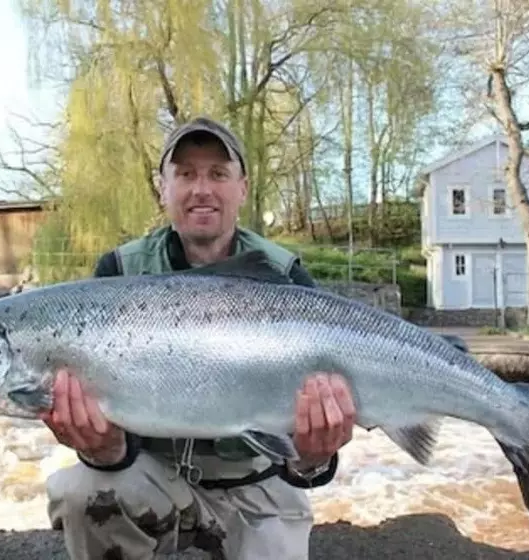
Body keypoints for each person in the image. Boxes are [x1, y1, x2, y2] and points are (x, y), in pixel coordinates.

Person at [40, 116, 357, 560]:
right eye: (186, 174)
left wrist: (314, 456)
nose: (201, 189)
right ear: (163, 188)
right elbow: (112, 449)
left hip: (260, 495)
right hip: (156, 485)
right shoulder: (117, 272)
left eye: (218, 174)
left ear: (242, 188)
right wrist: (105, 449)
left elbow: (303, 468)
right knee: (81, 488)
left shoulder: (287, 277)